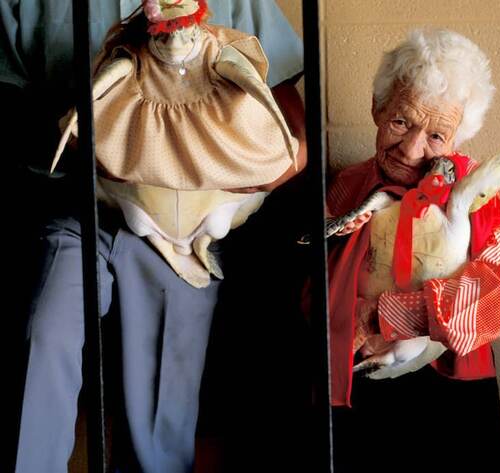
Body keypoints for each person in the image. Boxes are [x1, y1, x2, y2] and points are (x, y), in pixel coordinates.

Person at [1, 1, 305, 472]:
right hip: (78, 204)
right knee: (46, 333)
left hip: (187, 221)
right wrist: (92, 140)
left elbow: (290, 121)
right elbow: (8, 108)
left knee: (163, 394)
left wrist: (250, 178)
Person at [324, 29, 500, 472]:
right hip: (358, 388)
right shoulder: (348, 186)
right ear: (378, 109)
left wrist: (384, 316)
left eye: (436, 135)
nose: (412, 149)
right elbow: (312, 284)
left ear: (457, 139)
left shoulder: (475, 192)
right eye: (401, 122)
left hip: (448, 396)